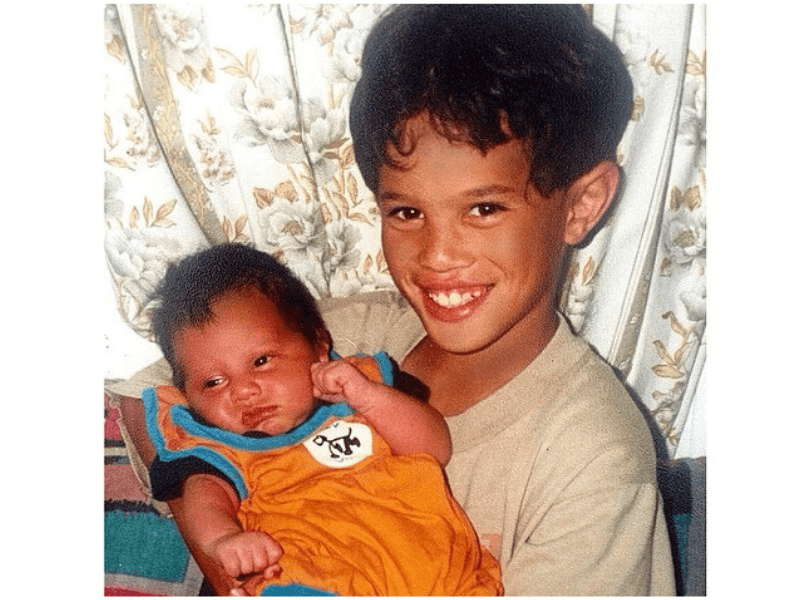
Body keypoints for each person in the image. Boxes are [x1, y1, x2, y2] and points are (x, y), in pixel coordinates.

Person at [115, 4, 676, 595]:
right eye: (407, 212)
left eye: (484, 208)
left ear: (582, 205)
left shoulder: (594, 460)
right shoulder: (351, 335)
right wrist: (220, 542)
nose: (437, 256)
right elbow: (145, 393)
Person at [143, 243, 503, 596]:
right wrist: (224, 539)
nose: (243, 391)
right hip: (313, 576)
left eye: (261, 361)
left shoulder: (361, 388)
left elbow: (435, 448)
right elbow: (204, 498)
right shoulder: (219, 449)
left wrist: (369, 398)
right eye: (213, 382)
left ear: (318, 345)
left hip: (435, 567)